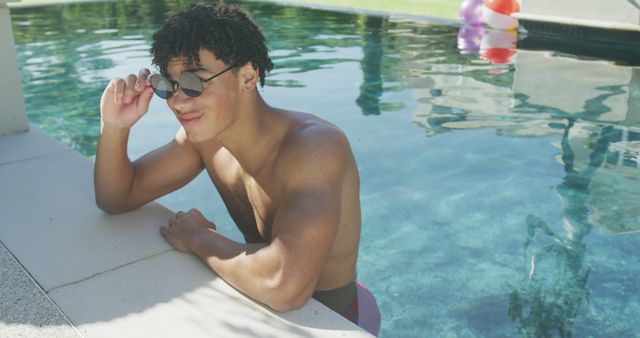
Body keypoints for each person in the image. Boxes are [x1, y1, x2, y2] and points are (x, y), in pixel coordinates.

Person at [94, 2, 379, 335]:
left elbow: (286, 285)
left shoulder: (314, 147)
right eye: (168, 84)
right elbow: (117, 197)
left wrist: (201, 238)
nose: (177, 101)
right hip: (261, 304)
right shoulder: (205, 140)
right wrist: (114, 128)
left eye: (194, 82)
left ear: (247, 75)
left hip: (332, 320)